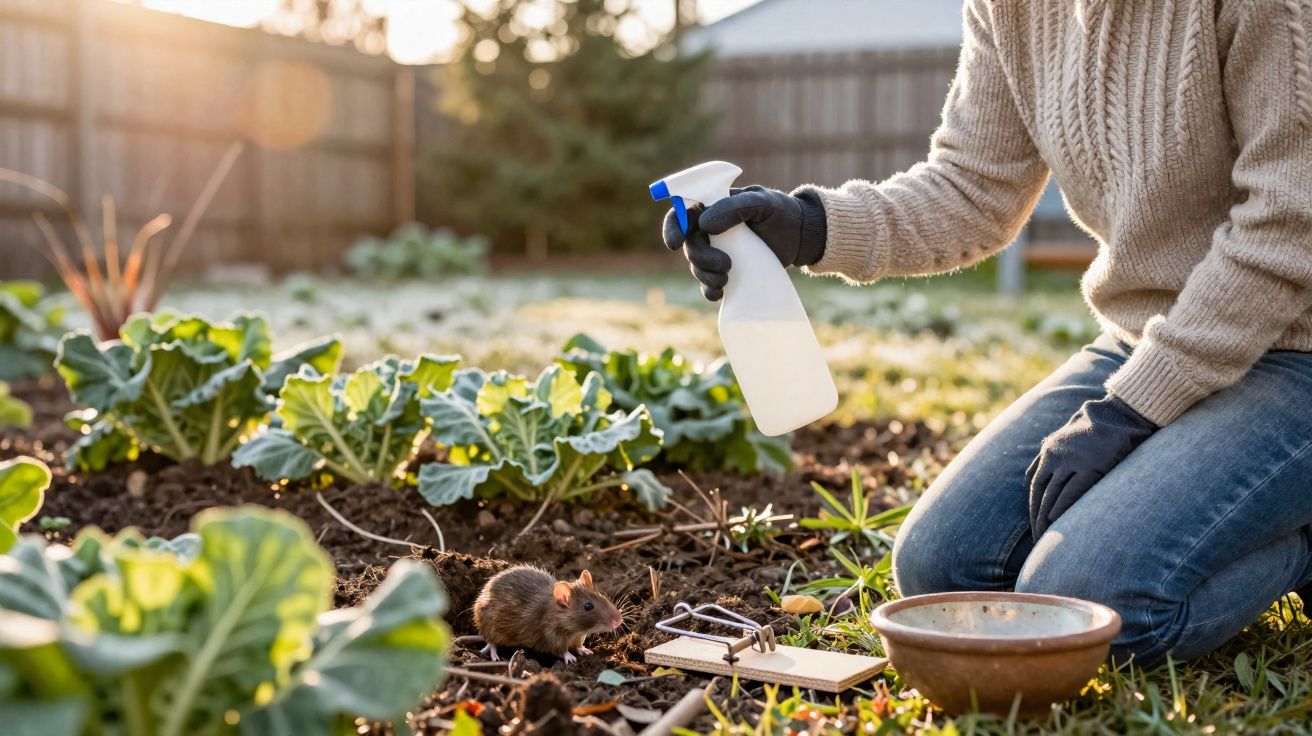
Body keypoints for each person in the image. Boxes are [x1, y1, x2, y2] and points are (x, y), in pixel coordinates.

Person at [661, 0, 1312, 668]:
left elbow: (1291, 219)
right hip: (1145, 340)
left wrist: (1135, 410)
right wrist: (807, 226)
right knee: (943, 572)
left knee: (1090, 607)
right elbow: (974, 188)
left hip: (1297, 348)